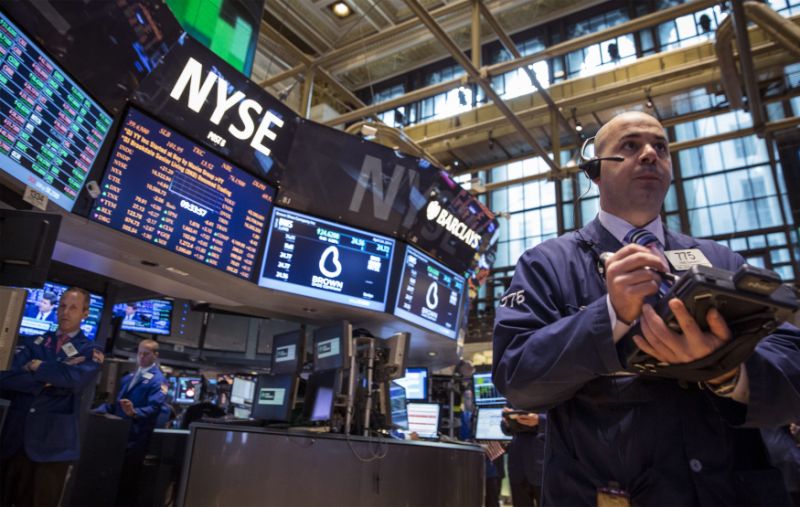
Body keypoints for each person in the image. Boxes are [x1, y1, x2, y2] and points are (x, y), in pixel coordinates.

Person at [493, 111, 800, 506]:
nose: (650, 154)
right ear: (596, 172)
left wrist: (729, 371)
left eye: (661, 147)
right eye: (630, 146)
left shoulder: (720, 259)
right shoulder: (547, 264)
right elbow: (516, 376)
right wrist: (610, 316)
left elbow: (793, 363)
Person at [0, 287, 104, 507]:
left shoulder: (90, 350)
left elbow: (75, 381)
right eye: (62, 306)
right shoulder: (34, 341)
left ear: (85, 313)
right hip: (13, 440)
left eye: (73, 308)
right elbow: (6, 379)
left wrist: (37, 368)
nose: (65, 312)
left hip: (52, 447)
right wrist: (49, 379)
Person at [94, 339, 167, 506]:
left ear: (155, 355)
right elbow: (115, 402)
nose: (141, 357)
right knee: (113, 480)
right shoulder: (130, 377)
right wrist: (96, 411)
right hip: (119, 434)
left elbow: (154, 407)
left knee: (128, 481)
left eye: (146, 354)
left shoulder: (158, 380)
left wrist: (135, 412)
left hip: (137, 437)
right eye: (139, 353)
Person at [502, 408, 547, 507]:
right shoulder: (514, 395)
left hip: (542, 464)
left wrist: (539, 419)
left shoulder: (552, 394)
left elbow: (563, 420)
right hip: (517, 464)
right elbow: (506, 430)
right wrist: (506, 421)